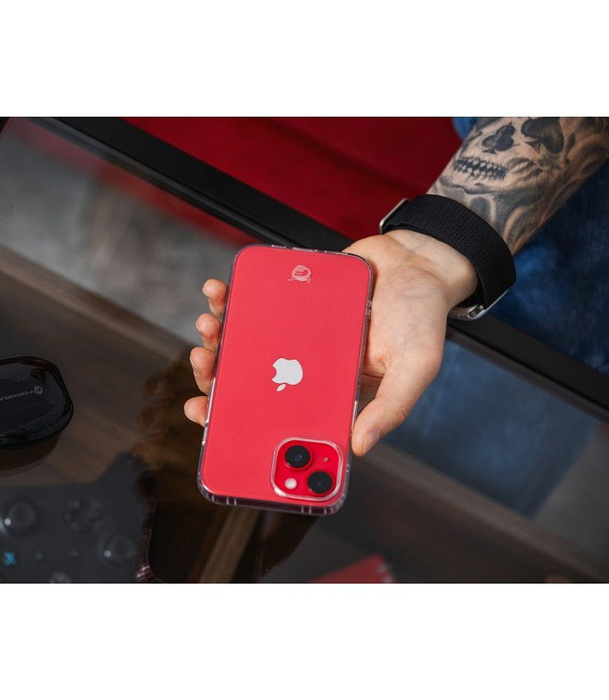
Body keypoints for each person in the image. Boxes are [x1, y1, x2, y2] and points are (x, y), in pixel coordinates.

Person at [183, 118, 609, 515]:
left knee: (460, 506)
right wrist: (433, 253)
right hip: (535, 266)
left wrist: (433, 255)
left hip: (563, 304)